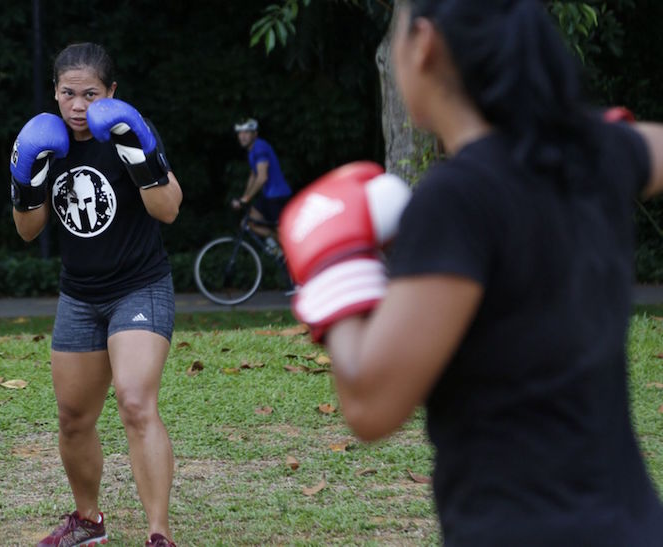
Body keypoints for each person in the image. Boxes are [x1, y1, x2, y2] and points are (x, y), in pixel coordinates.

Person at [278, 1, 663, 545]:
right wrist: (590, 137)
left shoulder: (459, 198)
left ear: (426, 43)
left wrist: (334, 265)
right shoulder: (592, 155)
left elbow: (370, 405)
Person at [9, 42, 182, 547]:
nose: (78, 105)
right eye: (68, 93)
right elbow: (28, 230)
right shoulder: (45, 141)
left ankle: (158, 534)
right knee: (73, 418)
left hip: (139, 287)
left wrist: (138, 151)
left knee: (134, 400)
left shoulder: (128, 132)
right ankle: (87, 522)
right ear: (55, 94)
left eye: (90, 93)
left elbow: (168, 209)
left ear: (111, 93)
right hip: (80, 296)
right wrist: (25, 179)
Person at [232, 118, 292, 252]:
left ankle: (291, 256)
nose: (242, 136)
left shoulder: (260, 147)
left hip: (277, 196)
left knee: (282, 232)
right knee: (247, 223)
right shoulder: (252, 150)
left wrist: (246, 199)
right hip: (269, 196)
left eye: (247, 132)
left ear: (255, 134)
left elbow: (262, 177)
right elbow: (253, 175)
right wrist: (244, 197)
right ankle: (278, 249)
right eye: (240, 133)